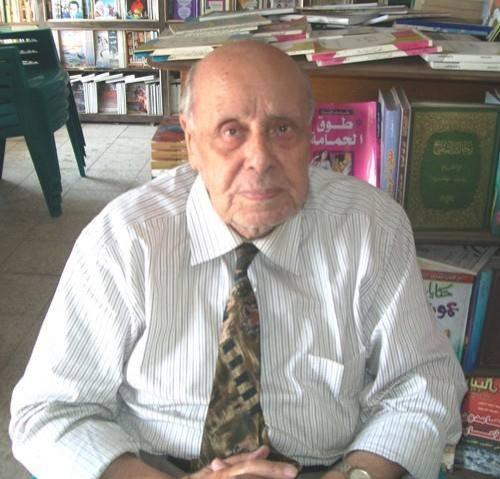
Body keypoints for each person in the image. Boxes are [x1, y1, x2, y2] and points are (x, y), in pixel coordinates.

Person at [10, 40, 467, 479]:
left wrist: (355, 474)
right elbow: (46, 412)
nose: (260, 159)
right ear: (191, 142)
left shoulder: (371, 227)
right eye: (231, 131)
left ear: (311, 135)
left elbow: (424, 383)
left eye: (282, 129)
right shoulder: (126, 238)